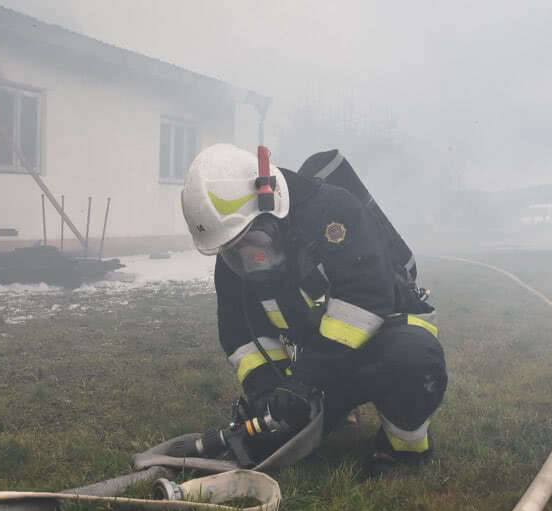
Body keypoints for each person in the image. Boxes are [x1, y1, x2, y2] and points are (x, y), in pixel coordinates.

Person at [180, 143, 448, 474]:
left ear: (271, 209)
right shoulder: (233, 254)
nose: (250, 258)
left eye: (255, 241)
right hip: (320, 358)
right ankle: (321, 414)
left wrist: (305, 380)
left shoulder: (334, 211)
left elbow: (364, 300)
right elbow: (237, 330)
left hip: (381, 339)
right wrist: (267, 389)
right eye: (234, 250)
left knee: (411, 358)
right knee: (269, 435)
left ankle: (405, 449)